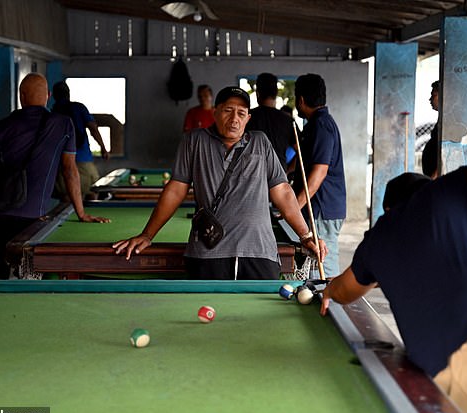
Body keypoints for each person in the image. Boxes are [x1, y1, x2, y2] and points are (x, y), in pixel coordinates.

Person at [320, 147, 467, 413]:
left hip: (449, 378)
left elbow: (344, 291)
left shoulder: (380, 238)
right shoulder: (450, 193)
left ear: (387, 210)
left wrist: (327, 290)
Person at [113, 86, 326, 279]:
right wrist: (147, 234)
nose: (234, 118)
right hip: (208, 252)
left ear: (248, 119)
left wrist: (306, 235)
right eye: (227, 110)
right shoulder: (193, 141)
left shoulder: (260, 141)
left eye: (241, 113)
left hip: (259, 253)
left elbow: (283, 192)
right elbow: (176, 190)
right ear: (215, 112)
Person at [0, 73, 109, 279]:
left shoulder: (2, 126)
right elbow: (69, 171)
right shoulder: (63, 124)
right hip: (33, 219)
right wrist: (81, 213)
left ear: (21, 96)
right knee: (25, 276)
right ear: (48, 96)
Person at [293, 73, 346, 277]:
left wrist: (294, 206)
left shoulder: (320, 125)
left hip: (322, 208)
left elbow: (320, 171)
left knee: (322, 263)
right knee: (316, 261)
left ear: (301, 100)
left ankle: (332, 307)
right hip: (323, 206)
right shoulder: (318, 123)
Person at [51, 80, 109, 202]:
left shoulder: (53, 112)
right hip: (82, 159)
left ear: (53, 95)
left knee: (67, 195)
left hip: (62, 162)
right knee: (93, 191)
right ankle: (91, 217)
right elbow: (93, 129)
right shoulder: (78, 107)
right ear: (68, 94)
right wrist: (103, 148)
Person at [246, 73, 295, 170]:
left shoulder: (247, 117)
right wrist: (287, 171)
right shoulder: (287, 120)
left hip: (252, 174)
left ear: (257, 94)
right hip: (279, 175)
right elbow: (300, 150)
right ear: (276, 93)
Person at [421, 80, 440, 178]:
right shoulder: (441, 119)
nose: (430, 99)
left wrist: (433, 178)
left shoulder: (447, 122)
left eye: (433, 95)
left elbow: (443, 154)